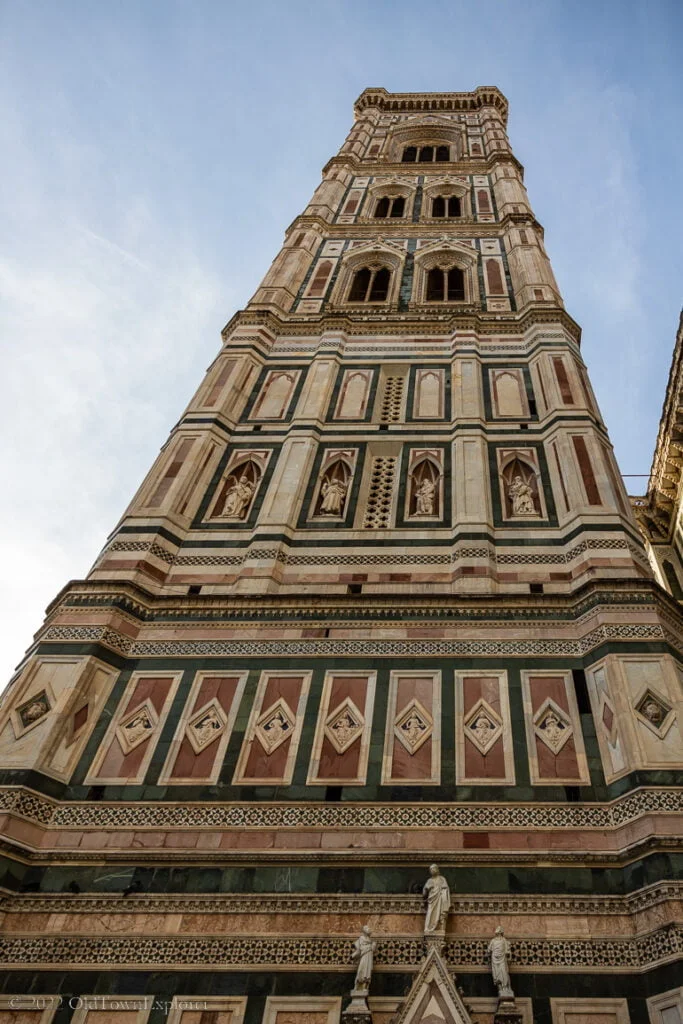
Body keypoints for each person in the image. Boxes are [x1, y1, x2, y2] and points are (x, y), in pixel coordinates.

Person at [422, 863, 451, 934]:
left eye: (433, 868)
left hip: (440, 899)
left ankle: (438, 927)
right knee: (430, 912)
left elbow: (446, 889)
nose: (432, 870)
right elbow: (424, 893)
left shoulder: (442, 879)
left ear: (437, 870)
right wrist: (426, 889)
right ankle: (428, 927)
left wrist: (443, 894)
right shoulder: (429, 881)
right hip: (432, 900)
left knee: (440, 914)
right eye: (431, 869)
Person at [488, 926, 513, 998]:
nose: (499, 934)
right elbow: (489, 949)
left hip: (502, 959)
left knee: (504, 972)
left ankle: (505, 988)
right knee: (497, 974)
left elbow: (507, 950)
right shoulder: (493, 941)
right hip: (495, 959)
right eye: (498, 933)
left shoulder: (503, 940)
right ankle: (501, 989)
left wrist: (509, 955)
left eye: (500, 933)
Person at [351, 925, 376, 993]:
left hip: (369, 957)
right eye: (367, 928)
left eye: (369, 928)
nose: (369, 929)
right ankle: (357, 986)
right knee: (361, 970)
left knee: (367, 971)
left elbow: (373, 949)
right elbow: (360, 949)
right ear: (364, 930)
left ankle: (365, 986)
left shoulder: (372, 941)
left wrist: (373, 945)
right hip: (364, 956)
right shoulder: (361, 939)